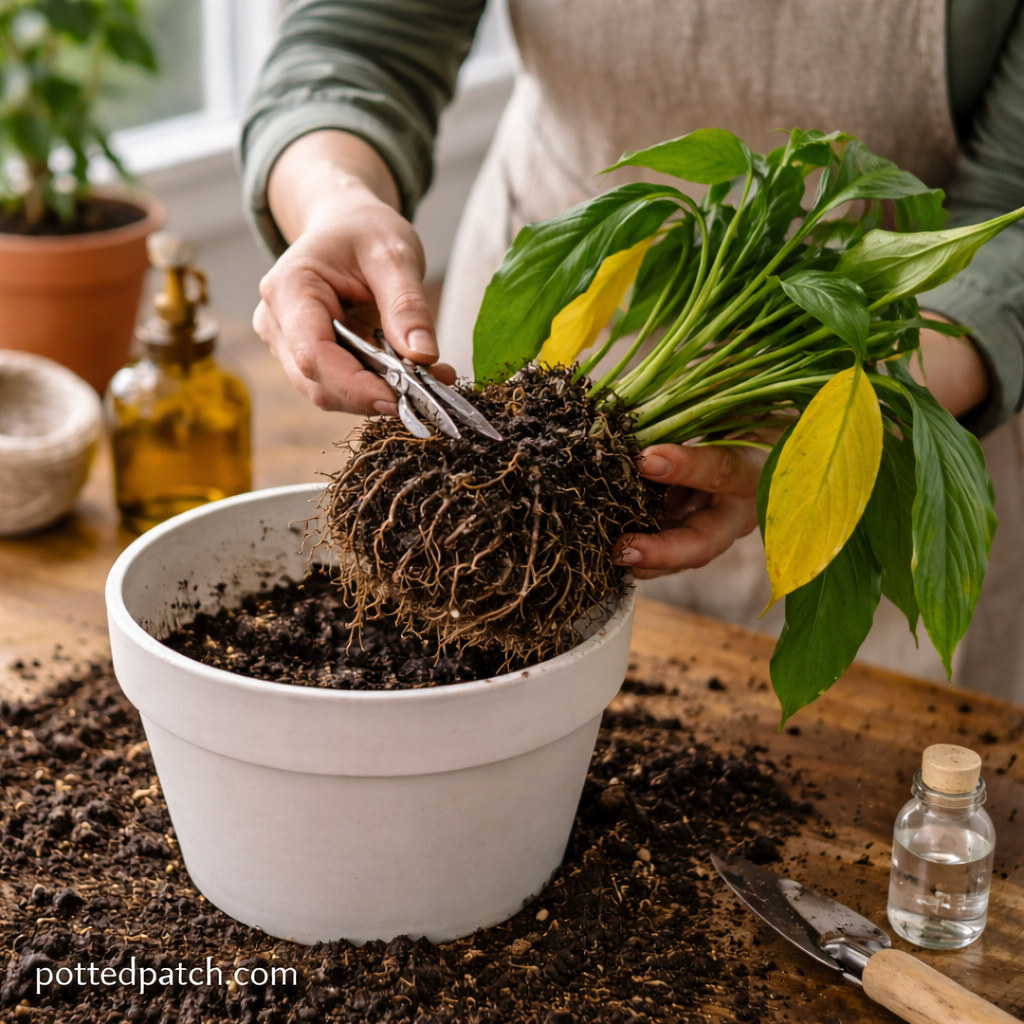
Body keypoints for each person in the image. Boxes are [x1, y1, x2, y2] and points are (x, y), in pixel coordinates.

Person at [241, 0, 1024, 699]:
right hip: (557, 300)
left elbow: (1010, 224)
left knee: (876, 770)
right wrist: (334, 198)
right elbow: (360, 38)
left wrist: (825, 430)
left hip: (890, 362)